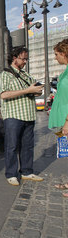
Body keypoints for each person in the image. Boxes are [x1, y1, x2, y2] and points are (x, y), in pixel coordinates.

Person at [0, 47, 44, 186]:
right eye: (23, 59)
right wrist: (28, 90)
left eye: (26, 59)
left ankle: (27, 171)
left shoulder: (27, 75)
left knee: (27, 146)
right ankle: (11, 174)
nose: (25, 61)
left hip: (29, 114)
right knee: (11, 146)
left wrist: (36, 91)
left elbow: (35, 91)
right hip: (13, 115)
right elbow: (4, 94)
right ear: (14, 58)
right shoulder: (5, 75)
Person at [49, 39, 68, 197]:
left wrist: (67, 121)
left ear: (64, 53)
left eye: (57, 54)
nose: (55, 58)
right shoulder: (66, 71)